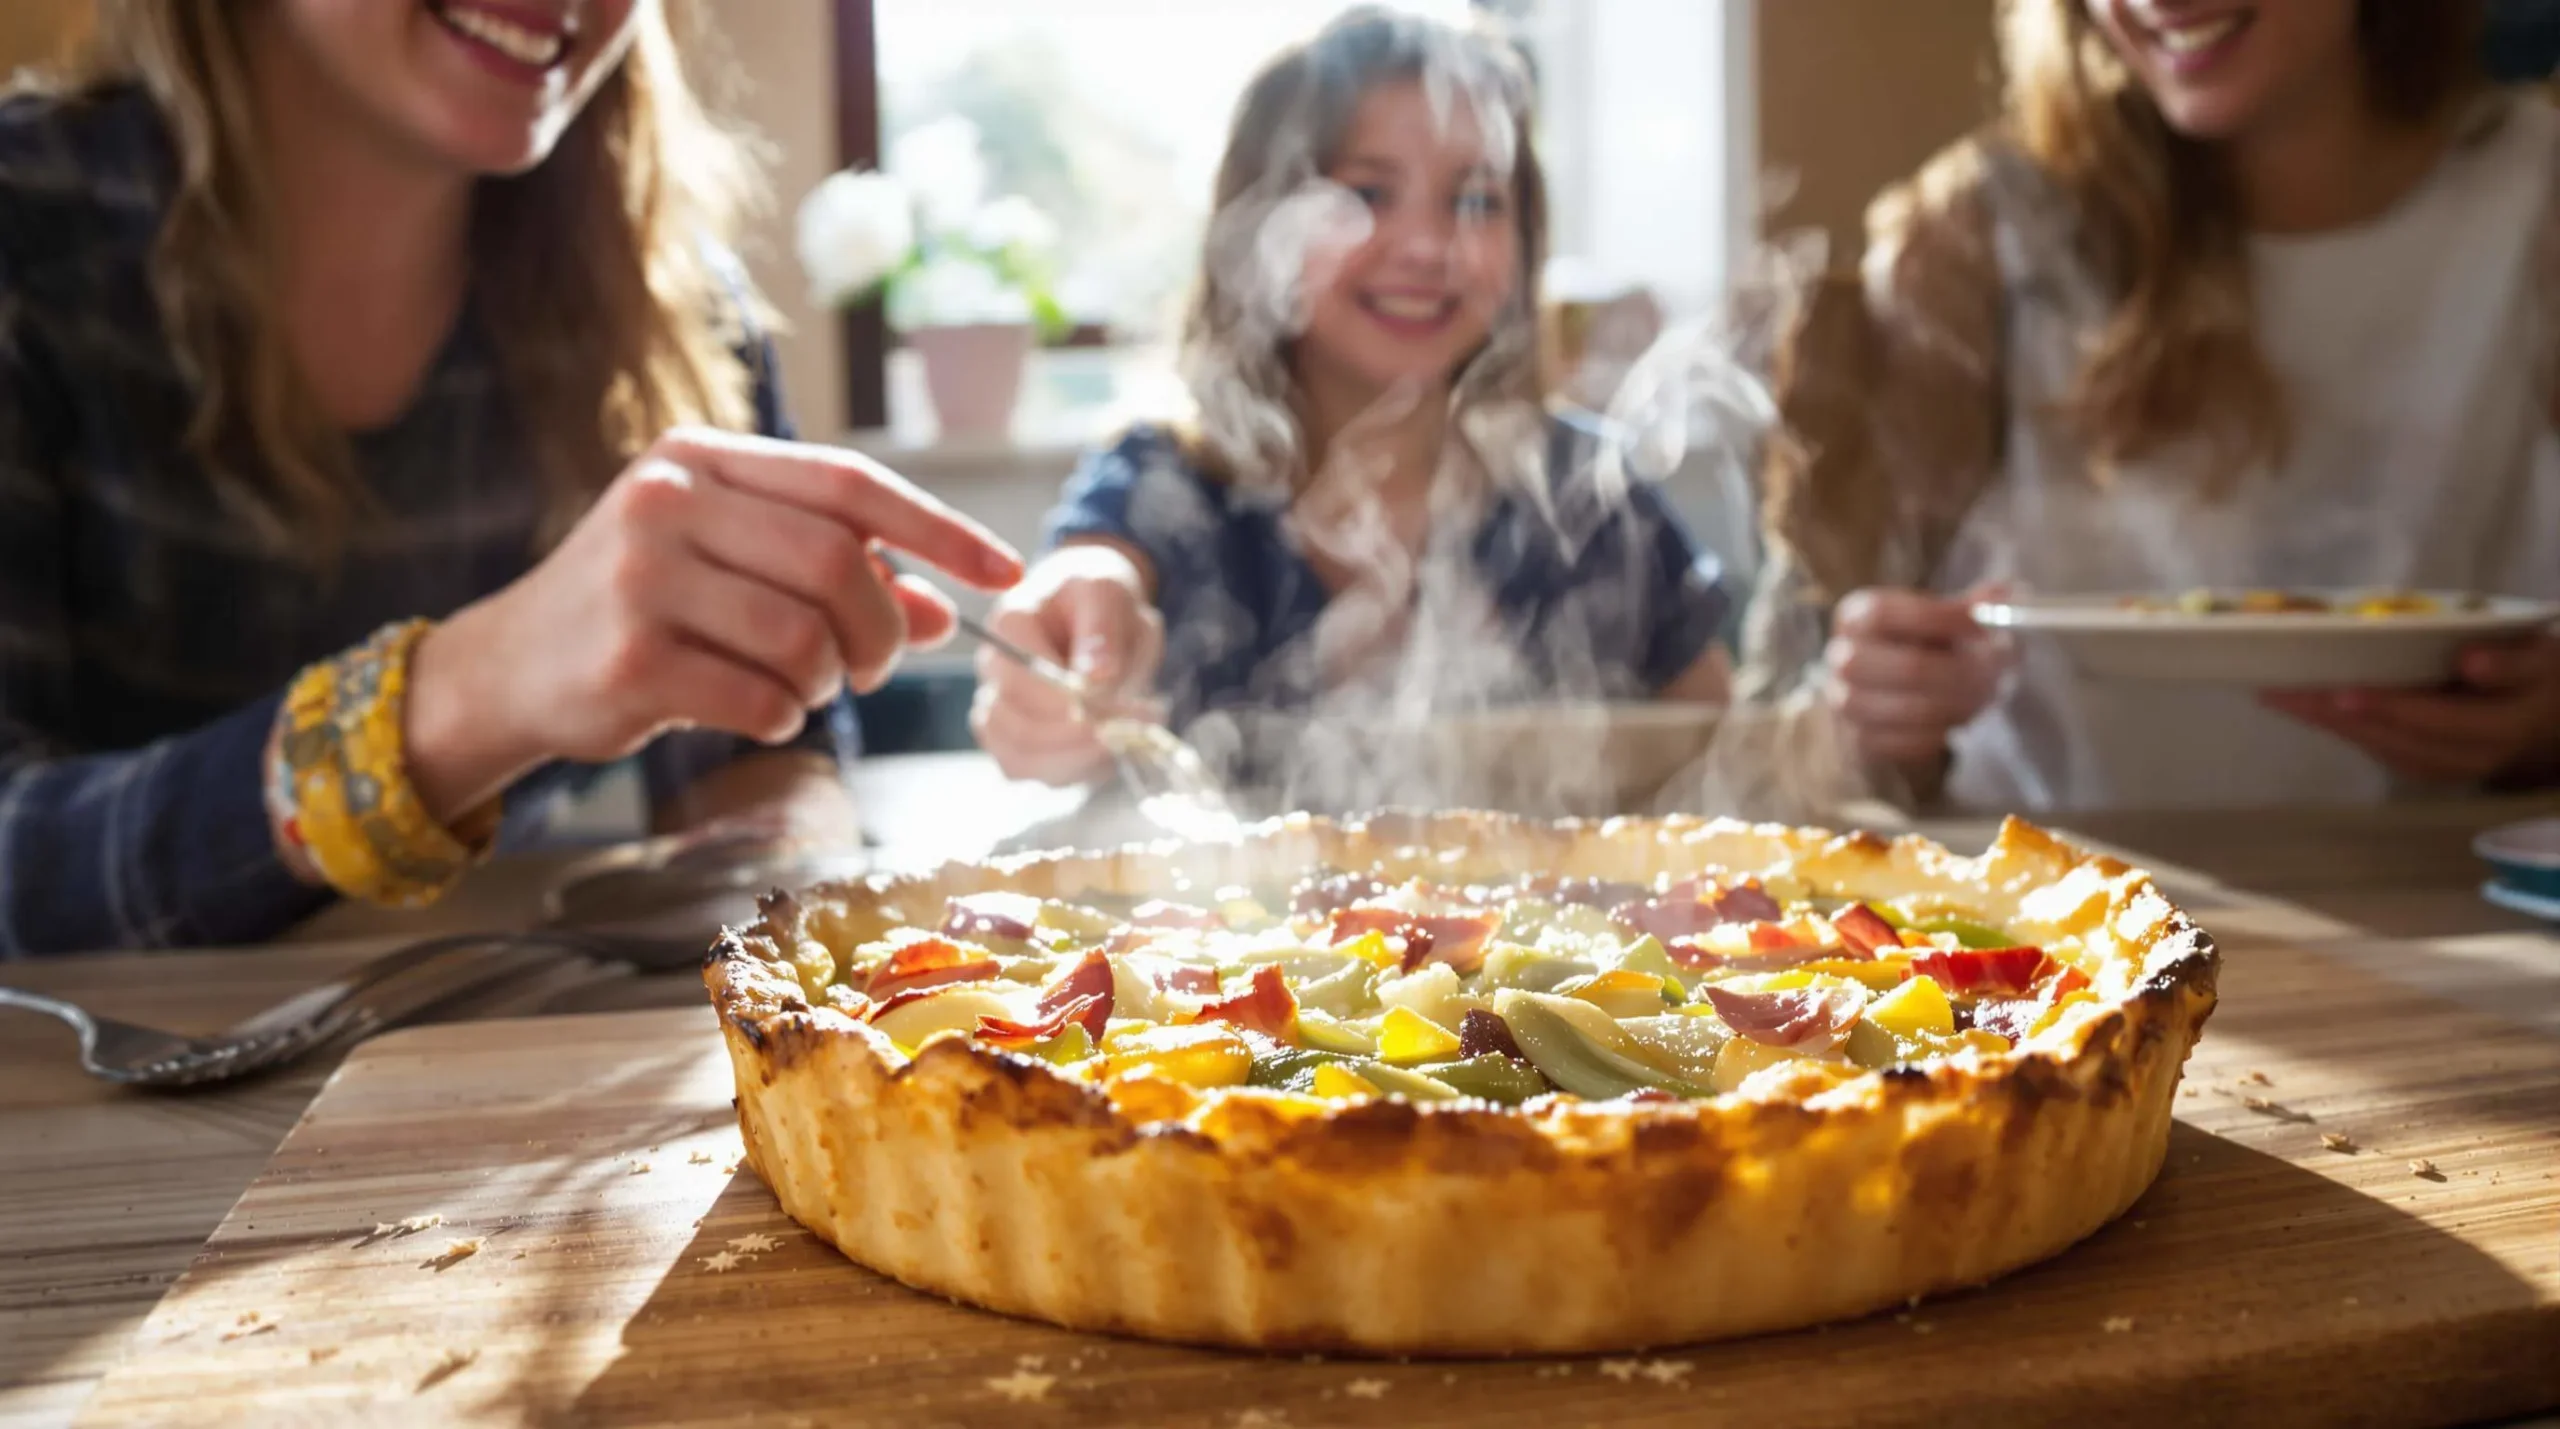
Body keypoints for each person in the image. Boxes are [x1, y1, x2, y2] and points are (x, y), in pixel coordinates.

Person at [0, 0, 1021, 957]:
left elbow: (749, 764)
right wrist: (460, 700)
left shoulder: (678, 303)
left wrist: (777, 842)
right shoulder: (31, 240)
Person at [1747, 0, 2560, 810]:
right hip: (2040, 901)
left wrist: (2544, 729)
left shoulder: (2535, 202)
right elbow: (1795, 734)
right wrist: (1870, 715)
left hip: (2442, 908)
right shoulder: (1981, 235)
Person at [968, 7, 1733, 798]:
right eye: (1367, 193)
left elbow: (1725, 772)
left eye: (1476, 201)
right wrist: (1057, 667)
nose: (1428, 247)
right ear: (1258, 221)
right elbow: (1089, 578)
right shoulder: (1168, 483)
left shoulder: (1591, 493)